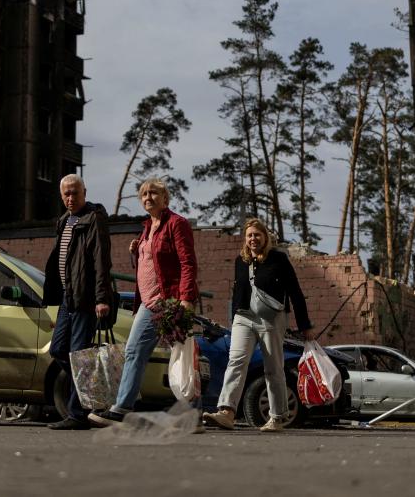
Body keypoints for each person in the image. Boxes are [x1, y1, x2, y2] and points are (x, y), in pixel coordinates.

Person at [89, 178, 199, 426]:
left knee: (166, 354)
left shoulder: (176, 224)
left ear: (165, 198)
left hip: (167, 301)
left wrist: (186, 299)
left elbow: (187, 263)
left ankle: (122, 408)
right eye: (143, 194)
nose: (148, 197)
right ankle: (192, 414)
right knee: (164, 353)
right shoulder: (147, 227)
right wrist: (135, 251)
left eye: (153, 193)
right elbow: (151, 265)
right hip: (147, 302)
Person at [202, 217, 310, 432]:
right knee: (236, 361)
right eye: (249, 235)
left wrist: (305, 324)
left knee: (273, 368)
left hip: (271, 319)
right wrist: (234, 320)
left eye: (257, 235)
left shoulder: (278, 259)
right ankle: (227, 412)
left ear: (265, 237)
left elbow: (295, 292)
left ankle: (277, 418)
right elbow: (237, 291)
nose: (253, 238)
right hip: (244, 318)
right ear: (245, 238)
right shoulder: (240, 261)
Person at [43, 173, 113, 430]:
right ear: (61, 196)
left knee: (78, 354)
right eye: (66, 194)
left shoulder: (93, 218)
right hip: (66, 297)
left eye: (75, 192)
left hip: (84, 298)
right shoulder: (64, 220)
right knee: (59, 350)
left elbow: (101, 260)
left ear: (85, 192)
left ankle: (77, 414)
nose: (71, 198)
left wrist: (101, 298)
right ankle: (86, 393)